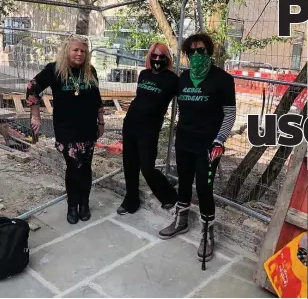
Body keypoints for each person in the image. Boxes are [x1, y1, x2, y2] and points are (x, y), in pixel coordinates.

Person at [159, 32, 236, 263]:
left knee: (203, 188)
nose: (196, 55)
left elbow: (230, 115)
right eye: (191, 52)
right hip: (184, 140)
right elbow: (181, 109)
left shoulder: (222, 79)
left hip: (209, 145)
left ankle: (207, 233)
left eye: (200, 50)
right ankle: (181, 221)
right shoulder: (182, 79)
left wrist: (219, 140)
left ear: (209, 52)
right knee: (183, 181)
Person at [26, 34, 105, 225]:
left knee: (85, 167)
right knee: (73, 167)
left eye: (83, 51)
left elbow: (97, 99)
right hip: (66, 128)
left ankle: (84, 203)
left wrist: (101, 122)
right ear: (67, 51)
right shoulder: (55, 70)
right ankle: (72, 205)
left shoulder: (90, 71)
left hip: (87, 128)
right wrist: (35, 114)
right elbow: (32, 88)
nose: (79, 54)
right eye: (75, 50)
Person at [117, 42, 178, 215]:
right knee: (130, 165)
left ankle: (169, 196)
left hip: (149, 129)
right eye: (154, 55)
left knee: (147, 168)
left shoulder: (172, 79)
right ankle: (131, 201)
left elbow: (182, 102)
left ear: (167, 58)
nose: (158, 59)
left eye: (162, 56)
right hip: (131, 124)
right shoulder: (144, 74)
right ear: (149, 56)